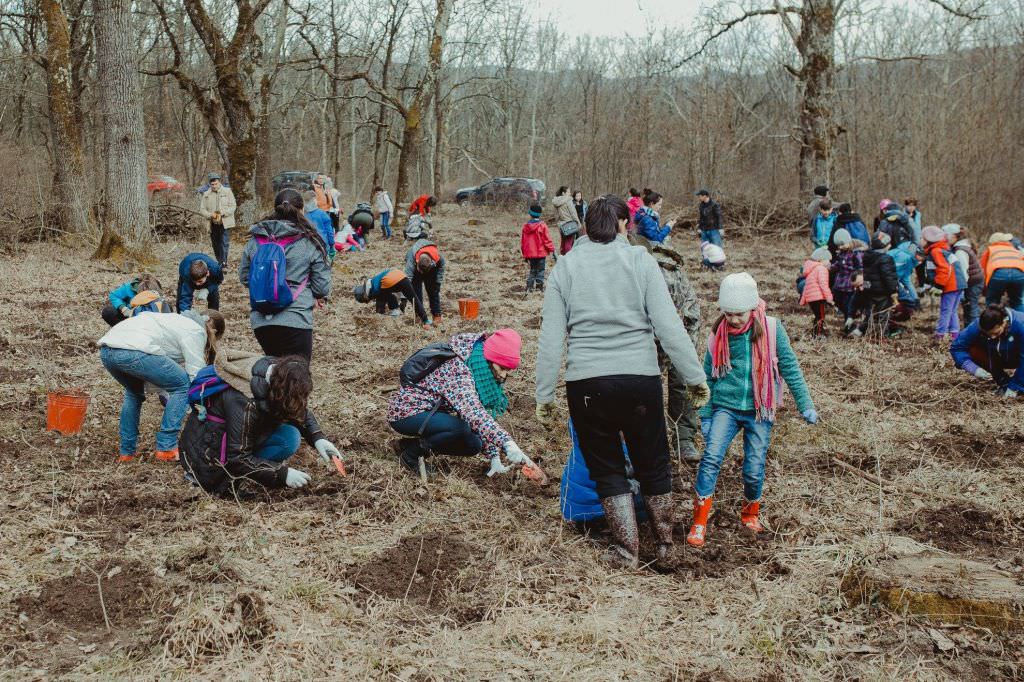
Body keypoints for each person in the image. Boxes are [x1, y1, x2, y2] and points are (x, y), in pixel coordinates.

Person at [535, 194, 709, 569]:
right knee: (653, 461)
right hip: (639, 380)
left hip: (587, 386)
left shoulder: (565, 267)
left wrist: (544, 395)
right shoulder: (639, 260)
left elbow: (550, 339)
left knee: (607, 467)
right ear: (623, 226)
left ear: (584, 228)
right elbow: (669, 326)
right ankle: (664, 545)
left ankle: (627, 551)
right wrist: (695, 377)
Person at [687, 273, 816, 547]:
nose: (733, 319)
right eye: (728, 313)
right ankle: (699, 521)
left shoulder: (771, 329)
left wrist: (805, 403)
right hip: (726, 407)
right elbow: (708, 375)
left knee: (754, 468)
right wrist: (706, 413)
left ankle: (750, 513)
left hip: (760, 410)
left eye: (739, 314)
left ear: (753, 307)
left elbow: (790, 367)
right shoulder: (717, 334)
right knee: (710, 458)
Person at [179, 351, 343, 495]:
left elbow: (294, 406)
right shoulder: (242, 400)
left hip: (233, 437)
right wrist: (280, 474)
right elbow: (237, 457)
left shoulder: (276, 374)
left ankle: (249, 471)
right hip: (208, 458)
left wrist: (317, 437)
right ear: (282, 390)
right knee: (284, 441)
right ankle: (228, 480)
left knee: (289, 437)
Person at [388, 330, 534, 479]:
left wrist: (493, 455)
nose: (503, 375)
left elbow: (479, 416)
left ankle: (408, 445)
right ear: (489, 358)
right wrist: (507, 442)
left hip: (430, 414)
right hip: (406, 414)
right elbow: (473, 413)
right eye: (501, 368)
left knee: (473, 444)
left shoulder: (477, 365)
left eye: (507, 371)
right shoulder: (458, 369)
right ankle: (411, 456)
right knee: (460, 428)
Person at [98, 310, 225, 463]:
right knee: (183, 385)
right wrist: (200, 404)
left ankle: (127, 452)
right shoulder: (195, 330)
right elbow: (196, 374)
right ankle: (166, 448)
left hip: (107, 350)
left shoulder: (172, 319)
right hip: (133, 350)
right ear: (213, 329)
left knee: (133, 393)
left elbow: (160, 367)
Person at [631, 221, 704, 464]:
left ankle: (682, 440)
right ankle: (652, 443)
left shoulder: (671, 271)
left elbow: (692, 310)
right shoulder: (629, 269)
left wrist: (687, 350)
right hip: (643, 344)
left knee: (679, 386)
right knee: (645, 393)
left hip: (676, 338)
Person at [239, 189, 332, 362]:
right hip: (296, 318)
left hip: (262, 321)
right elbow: (322, 286)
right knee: (297, 376)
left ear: (274, 209)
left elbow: (245, 277)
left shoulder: (257, 238)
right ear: (302, 210)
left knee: (274, 373)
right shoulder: (310, 240)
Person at [950, 304, 1024, 398]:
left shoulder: (1020, 324)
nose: (992, 337)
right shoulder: (979, 325)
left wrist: (1015, 386)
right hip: (998, 355)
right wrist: (972, 368)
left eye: (996, 333)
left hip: (1018, 356)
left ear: (1004, 322)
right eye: (988, 334)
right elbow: (957, 347)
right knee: (972, 348)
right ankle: (1003, 382)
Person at [923, 225, 967, 341]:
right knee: (952, 310)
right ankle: (954, 335)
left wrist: (938, 286)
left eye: (922, 239)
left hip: (951, 285)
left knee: (945, 310)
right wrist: (928, 284)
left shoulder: (936, 251)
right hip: (959, 283)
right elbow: (933, 270)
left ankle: (940, 335)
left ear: (929, 240)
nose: (920, 241)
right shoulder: (942, 249)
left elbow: (944, 269)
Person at [851, 232, 898, 339]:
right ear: (885, 246)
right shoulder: (886, 259)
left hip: (870, 290)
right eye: (889, 244)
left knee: (871, 313)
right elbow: (888, 277)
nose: (890, 245)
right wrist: (893, 290)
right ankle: (882, 335)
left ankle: (863, 331)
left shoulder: (867, 256)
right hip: (882, 292)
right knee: (883, 314)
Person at [353, 268, 428, 325]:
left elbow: (381, 299)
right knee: (413, 298)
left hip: (390, 280)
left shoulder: (374, 289)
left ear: (364, 296)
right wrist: (403, 298)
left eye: (365, 301)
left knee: (382, 296)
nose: (367, 302)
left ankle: (393, 311)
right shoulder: (373, 281)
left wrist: (379, 313)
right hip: (402, 276)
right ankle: (425, 319)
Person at [944, 224, 984, 326]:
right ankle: (969, 328)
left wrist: (960, 289)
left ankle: (975, 330)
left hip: (973, 282)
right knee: (968, 306)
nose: (944, 239)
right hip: (972, 280)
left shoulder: (960, 251)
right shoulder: (960, 246)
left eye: (946, 236)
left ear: (954, 236)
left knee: (971, 306)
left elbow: (962, 272)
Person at [829, 229, 865, 334]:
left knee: (848, 305)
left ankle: (849, 324)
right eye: (838, 246)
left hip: (849, 284)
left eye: (842, 245)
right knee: (837, 300)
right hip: (839, 283)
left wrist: (857, 280)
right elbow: (838, 264)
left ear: (848, 242)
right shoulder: (841, 253)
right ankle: (848, 321)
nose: (840, 247)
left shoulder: (856, 253)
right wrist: (830, 267)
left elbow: (860, 268)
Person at [198, 173, 237, 271]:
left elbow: (233, 206)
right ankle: (219, 261)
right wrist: (210, 215)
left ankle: (224, 264)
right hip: (212, 223)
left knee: (224, 243)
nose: (214, 186)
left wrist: (222, 213)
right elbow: (202, 209)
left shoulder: (227, 192)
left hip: (225, 222)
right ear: (210, 184)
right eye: (212, 184)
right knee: (215, 244)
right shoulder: (206, 194)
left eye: (216, 184)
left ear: (219, 182)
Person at [404, 236, 447, 324]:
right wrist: (403, 298)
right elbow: (407, 278)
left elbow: (442, 266)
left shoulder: (437, 257)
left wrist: (438, 282)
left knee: (433, 291)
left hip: (431, 270)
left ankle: (436, 315)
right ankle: (420, 316)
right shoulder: (411, 257)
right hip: (416, 272)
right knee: (416, 293)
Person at [980, 232, 1024, 311]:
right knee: (1017, 302)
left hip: (999, 273)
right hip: (1019, 274)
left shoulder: (990, 249)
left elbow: (983, 269)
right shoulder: (1014, 249)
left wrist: (985, 288)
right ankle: (1021, 321)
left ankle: (993, 322)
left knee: (992, 302)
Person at [102, 274, 168, 326]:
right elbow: (114, 295)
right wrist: (123, 308)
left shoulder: (156, 289)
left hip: (149, 318)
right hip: (129, 315)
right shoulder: (129, 288)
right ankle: (123, 331)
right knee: (108, 311)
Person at [521, 203, 555, 293]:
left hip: (530, 254)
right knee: (540, 270)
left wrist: (525, 254)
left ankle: (529, 286)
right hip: (540, 253)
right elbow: (547, 240)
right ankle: (539, 286)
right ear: (539, 214)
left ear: (530, 214)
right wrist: (552, 249)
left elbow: (523, 242)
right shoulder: (542, 225)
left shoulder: (525, 227)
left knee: (532, 270)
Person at [800, 247, 834, 337]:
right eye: (828, 260)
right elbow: (824, 285)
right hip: (818, 298)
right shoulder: (822, 269)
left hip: (812, 298)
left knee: (817, 316)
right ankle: (818, 335)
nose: (830, 263)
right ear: (821, 260)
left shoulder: (812, 269)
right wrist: (829, 298)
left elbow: (806, 286)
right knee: (821, 317)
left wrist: (803, 299)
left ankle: (815, 333)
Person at [304, 191, 337, 264]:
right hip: (322, 245)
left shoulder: (302, 216)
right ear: (314, 200)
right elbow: (329, 232)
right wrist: (331, 245)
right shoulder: (323, 214)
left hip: (307, 246)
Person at [552, 185, 582, 255]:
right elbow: (573, 213)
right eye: (568, 192)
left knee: (563, 242)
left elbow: (556, 216)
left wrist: (559, 223)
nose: (570, 193)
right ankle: (567, 258)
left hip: (561, 225)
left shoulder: (556, 202)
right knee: (568, 242)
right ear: (563, 193)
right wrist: (578, 223)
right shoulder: (568, 200)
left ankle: (562, 256)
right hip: (570, 224)